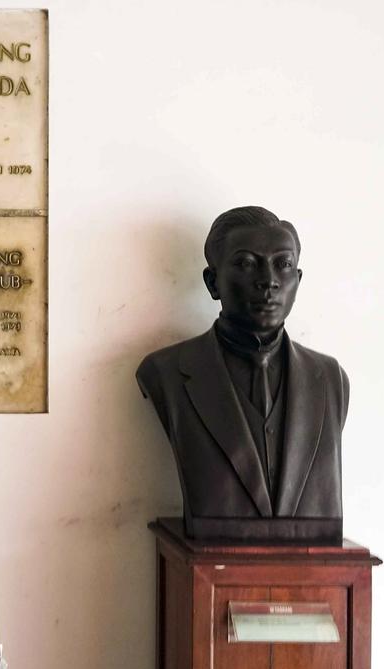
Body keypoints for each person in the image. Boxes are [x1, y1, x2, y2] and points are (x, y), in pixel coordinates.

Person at [136, 206, 348, 540]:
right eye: (247, 264)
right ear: (213, 282)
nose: (268, 281)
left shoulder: (329, 379)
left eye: (283, 264)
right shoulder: (166, 371)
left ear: (298, 280)